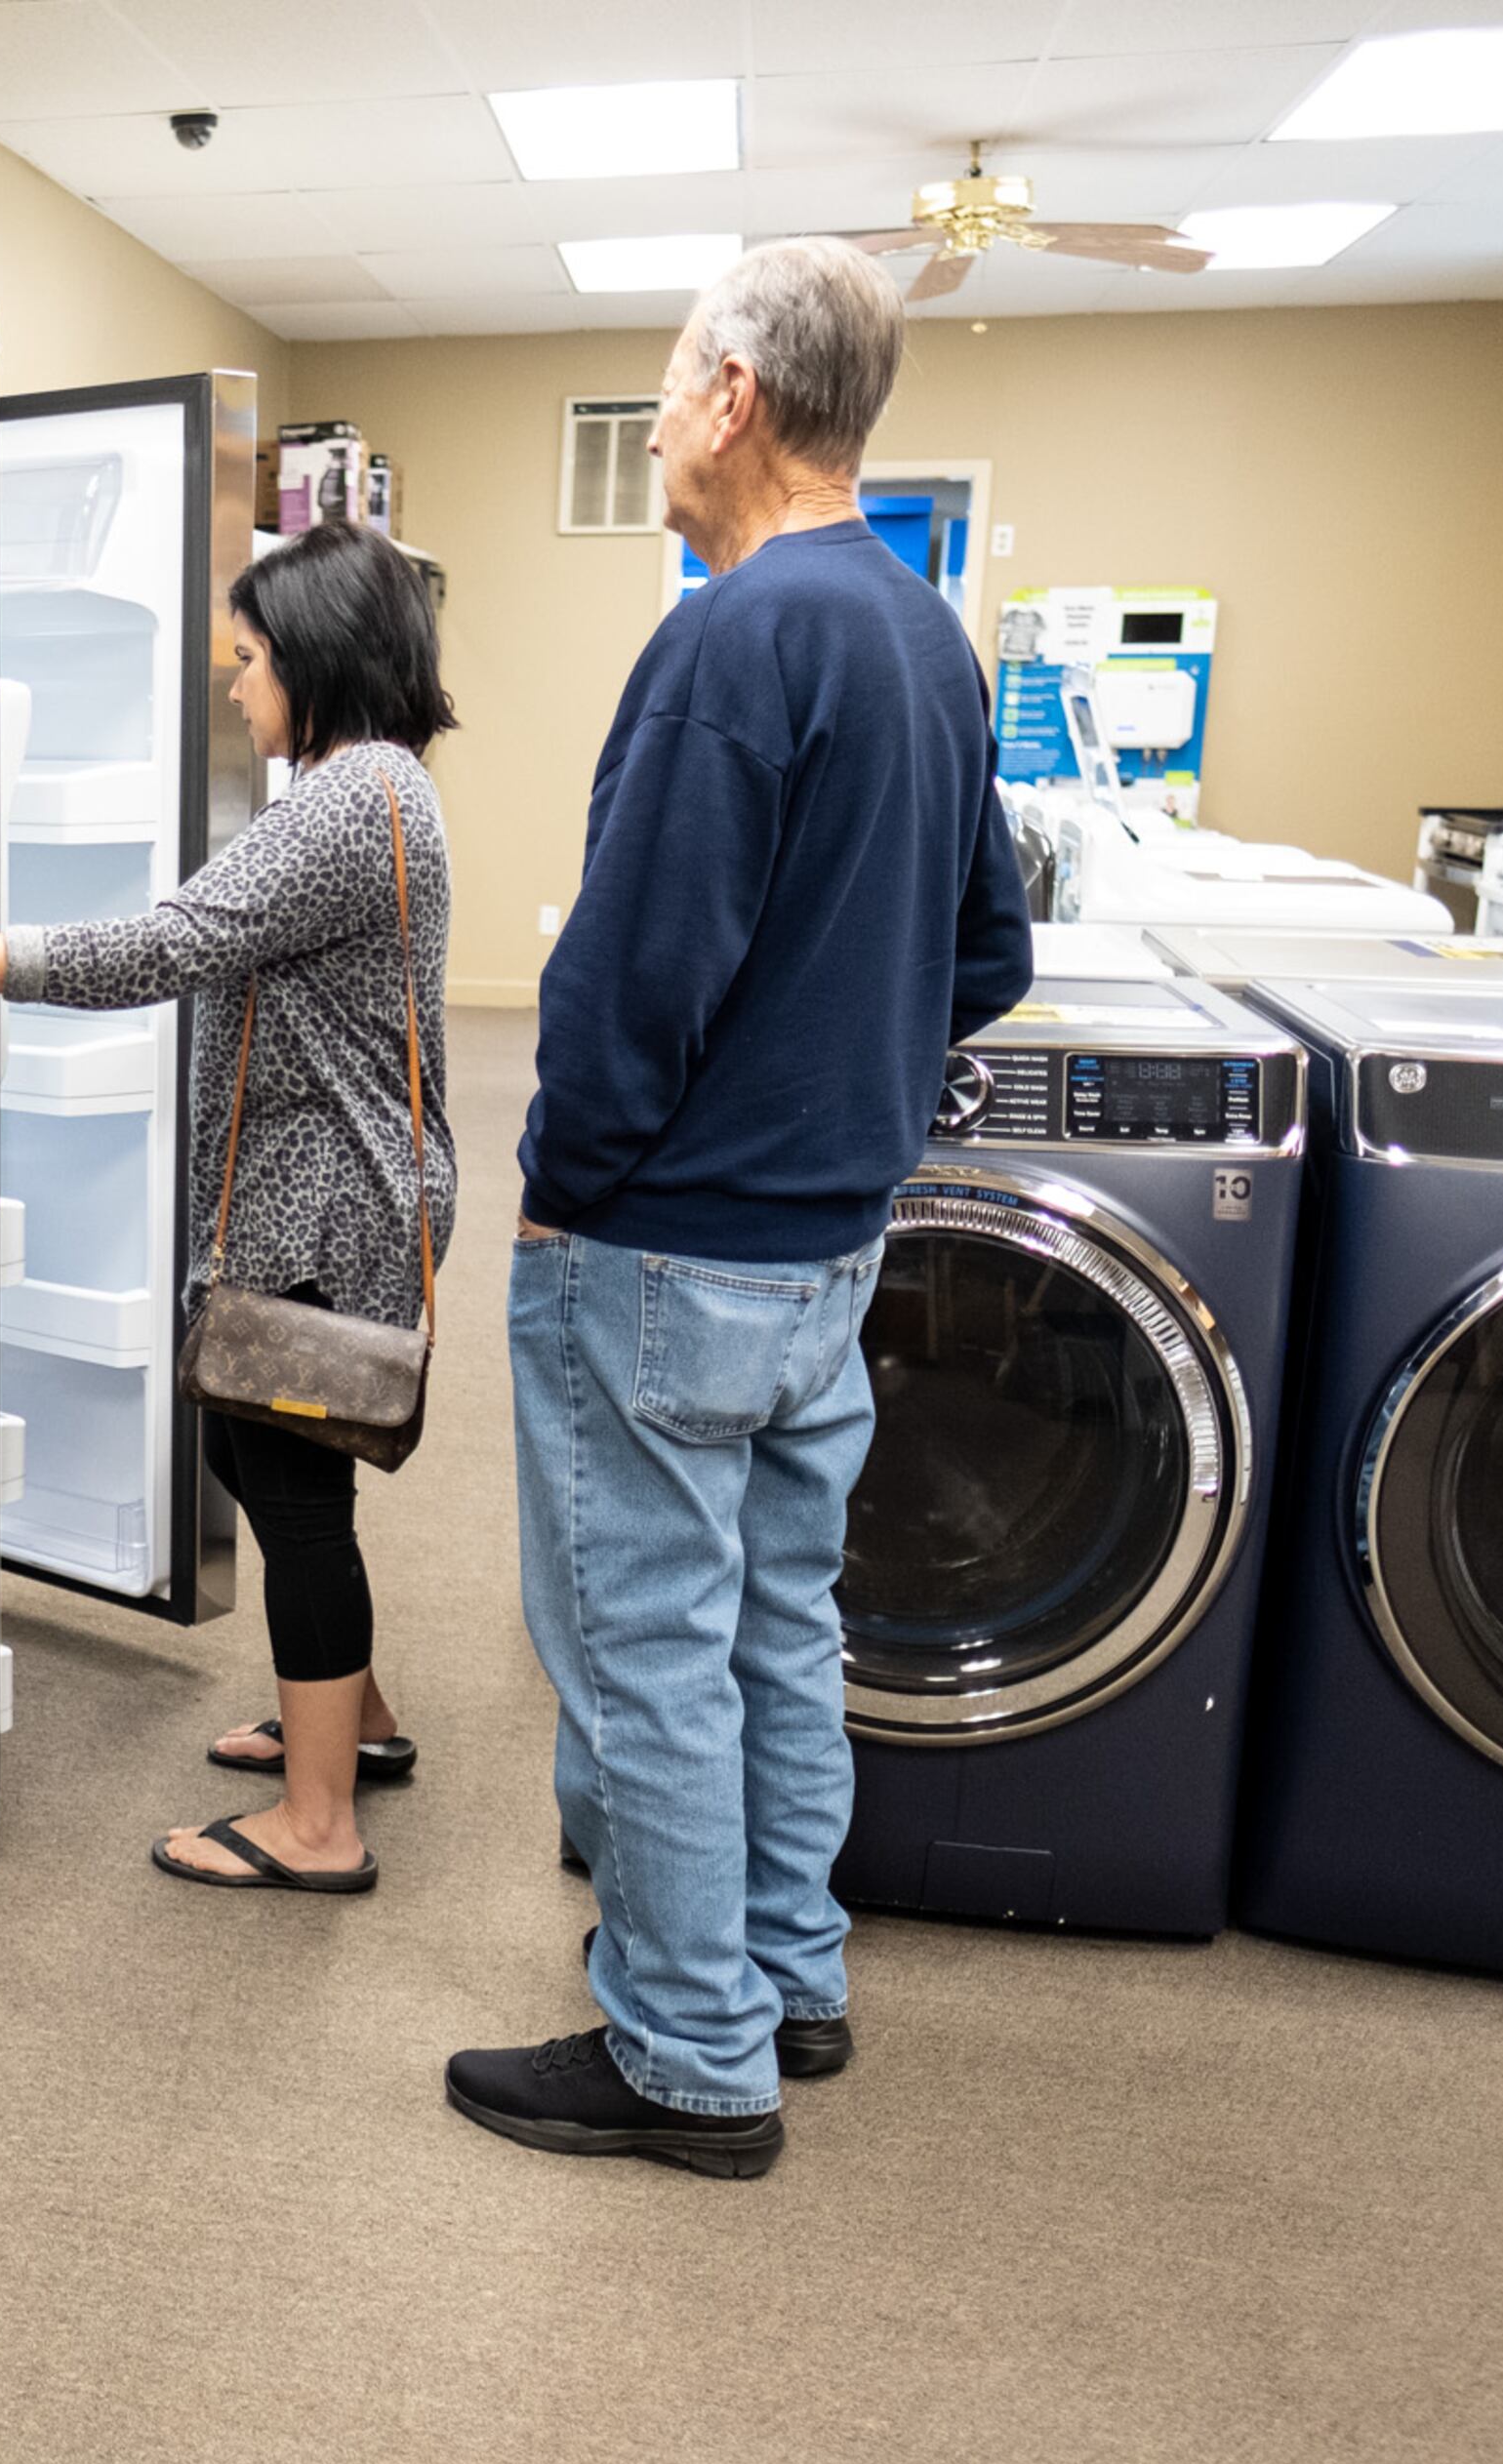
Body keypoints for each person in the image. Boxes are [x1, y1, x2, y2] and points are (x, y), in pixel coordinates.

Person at [442, 239, 1033, 2176]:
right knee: (777, 1625)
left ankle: (693, 2060)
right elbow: (990, 955)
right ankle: (788, 1971)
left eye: (670, 383)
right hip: (827, 1249)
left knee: (646, 1648)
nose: (661, 427)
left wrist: (565, 1190)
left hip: (669, 1247)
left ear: (736, 401)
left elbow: (628, 987)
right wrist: (833, 1082)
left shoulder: (731, 635)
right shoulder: (930, 637)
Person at [0, 521, 456, 1895]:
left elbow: (170, 945)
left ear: (320, 661)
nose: (237, 688)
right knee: (257, 1459)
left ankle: (320, 1825)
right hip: (350, 1188)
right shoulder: (388, 788)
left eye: (251, 660)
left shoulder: (343, 804)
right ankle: (355, 1720)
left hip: (320, 1207)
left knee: (290, 1495)